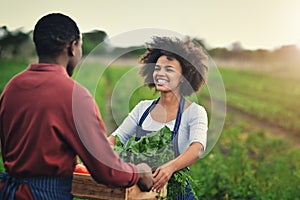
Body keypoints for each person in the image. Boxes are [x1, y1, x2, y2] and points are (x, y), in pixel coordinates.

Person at [0, 13, 153, 200]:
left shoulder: (12, 87)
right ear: (73, 47)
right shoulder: (74, 96)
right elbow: (105, 170)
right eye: (80, 46)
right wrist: (138, 173)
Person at [108, 36, 208, 199]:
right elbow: (117, 138)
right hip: (143, 190)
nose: (161, 73)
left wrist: (170, 168)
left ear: (183, 77)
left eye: (169, 69)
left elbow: (197, 148)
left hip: (177, 190)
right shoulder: (143, 108)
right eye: (157, 68)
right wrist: (95, 155)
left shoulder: (194, 112)